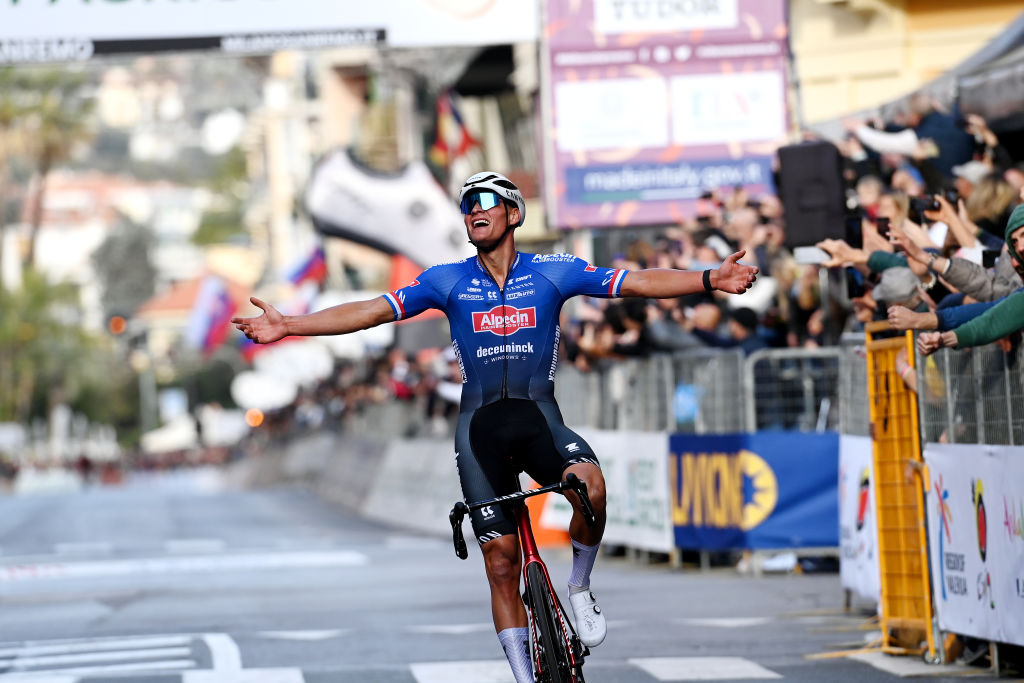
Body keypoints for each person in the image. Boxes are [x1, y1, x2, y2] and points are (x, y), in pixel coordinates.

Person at [232, 171, 758, 683]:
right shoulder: (447, 280)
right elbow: (373, 311)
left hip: (538, 420)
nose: (474, 209)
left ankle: (578, 586)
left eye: (486, 199)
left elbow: (635, 283)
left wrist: (711, 278)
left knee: (590, 485)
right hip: (479, 429)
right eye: (466, 204)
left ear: (513, 213)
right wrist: (290, 326)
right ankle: (524, 677)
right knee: (501, 562)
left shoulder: (556, 270)